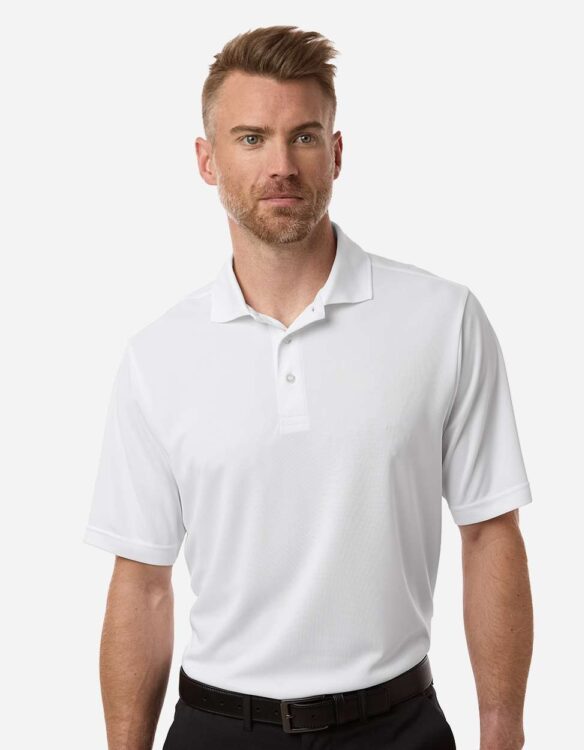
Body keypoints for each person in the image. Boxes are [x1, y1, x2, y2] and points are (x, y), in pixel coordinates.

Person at [83, 25, 534, 750]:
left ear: (337, 152)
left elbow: (488, 533)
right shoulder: (157, 356)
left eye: (304, 137)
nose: (282, 166)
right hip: (218, 730)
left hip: (397, 727)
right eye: (252, 138)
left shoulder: (443, 320)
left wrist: (503, 734)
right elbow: (141, 582)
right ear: (207, 160)